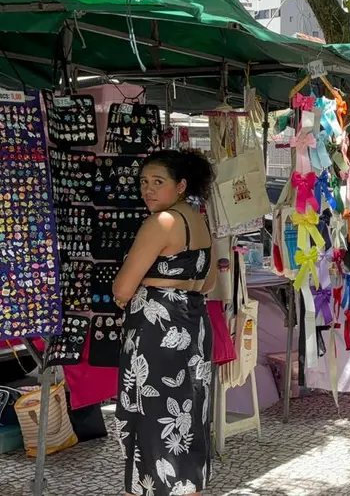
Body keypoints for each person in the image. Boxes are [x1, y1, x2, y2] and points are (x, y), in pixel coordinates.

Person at [112, 150, 217, 496]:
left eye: (158, 182)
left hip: (156, 329)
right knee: (188, 416)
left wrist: (138, 290)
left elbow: (123, 286)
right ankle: (188, 487)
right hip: (194, 323)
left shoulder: (162, 223)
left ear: (181, 185)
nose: (148, 190)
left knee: (152, 416)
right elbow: (209, 282)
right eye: (144, 182)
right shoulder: (199, 221)